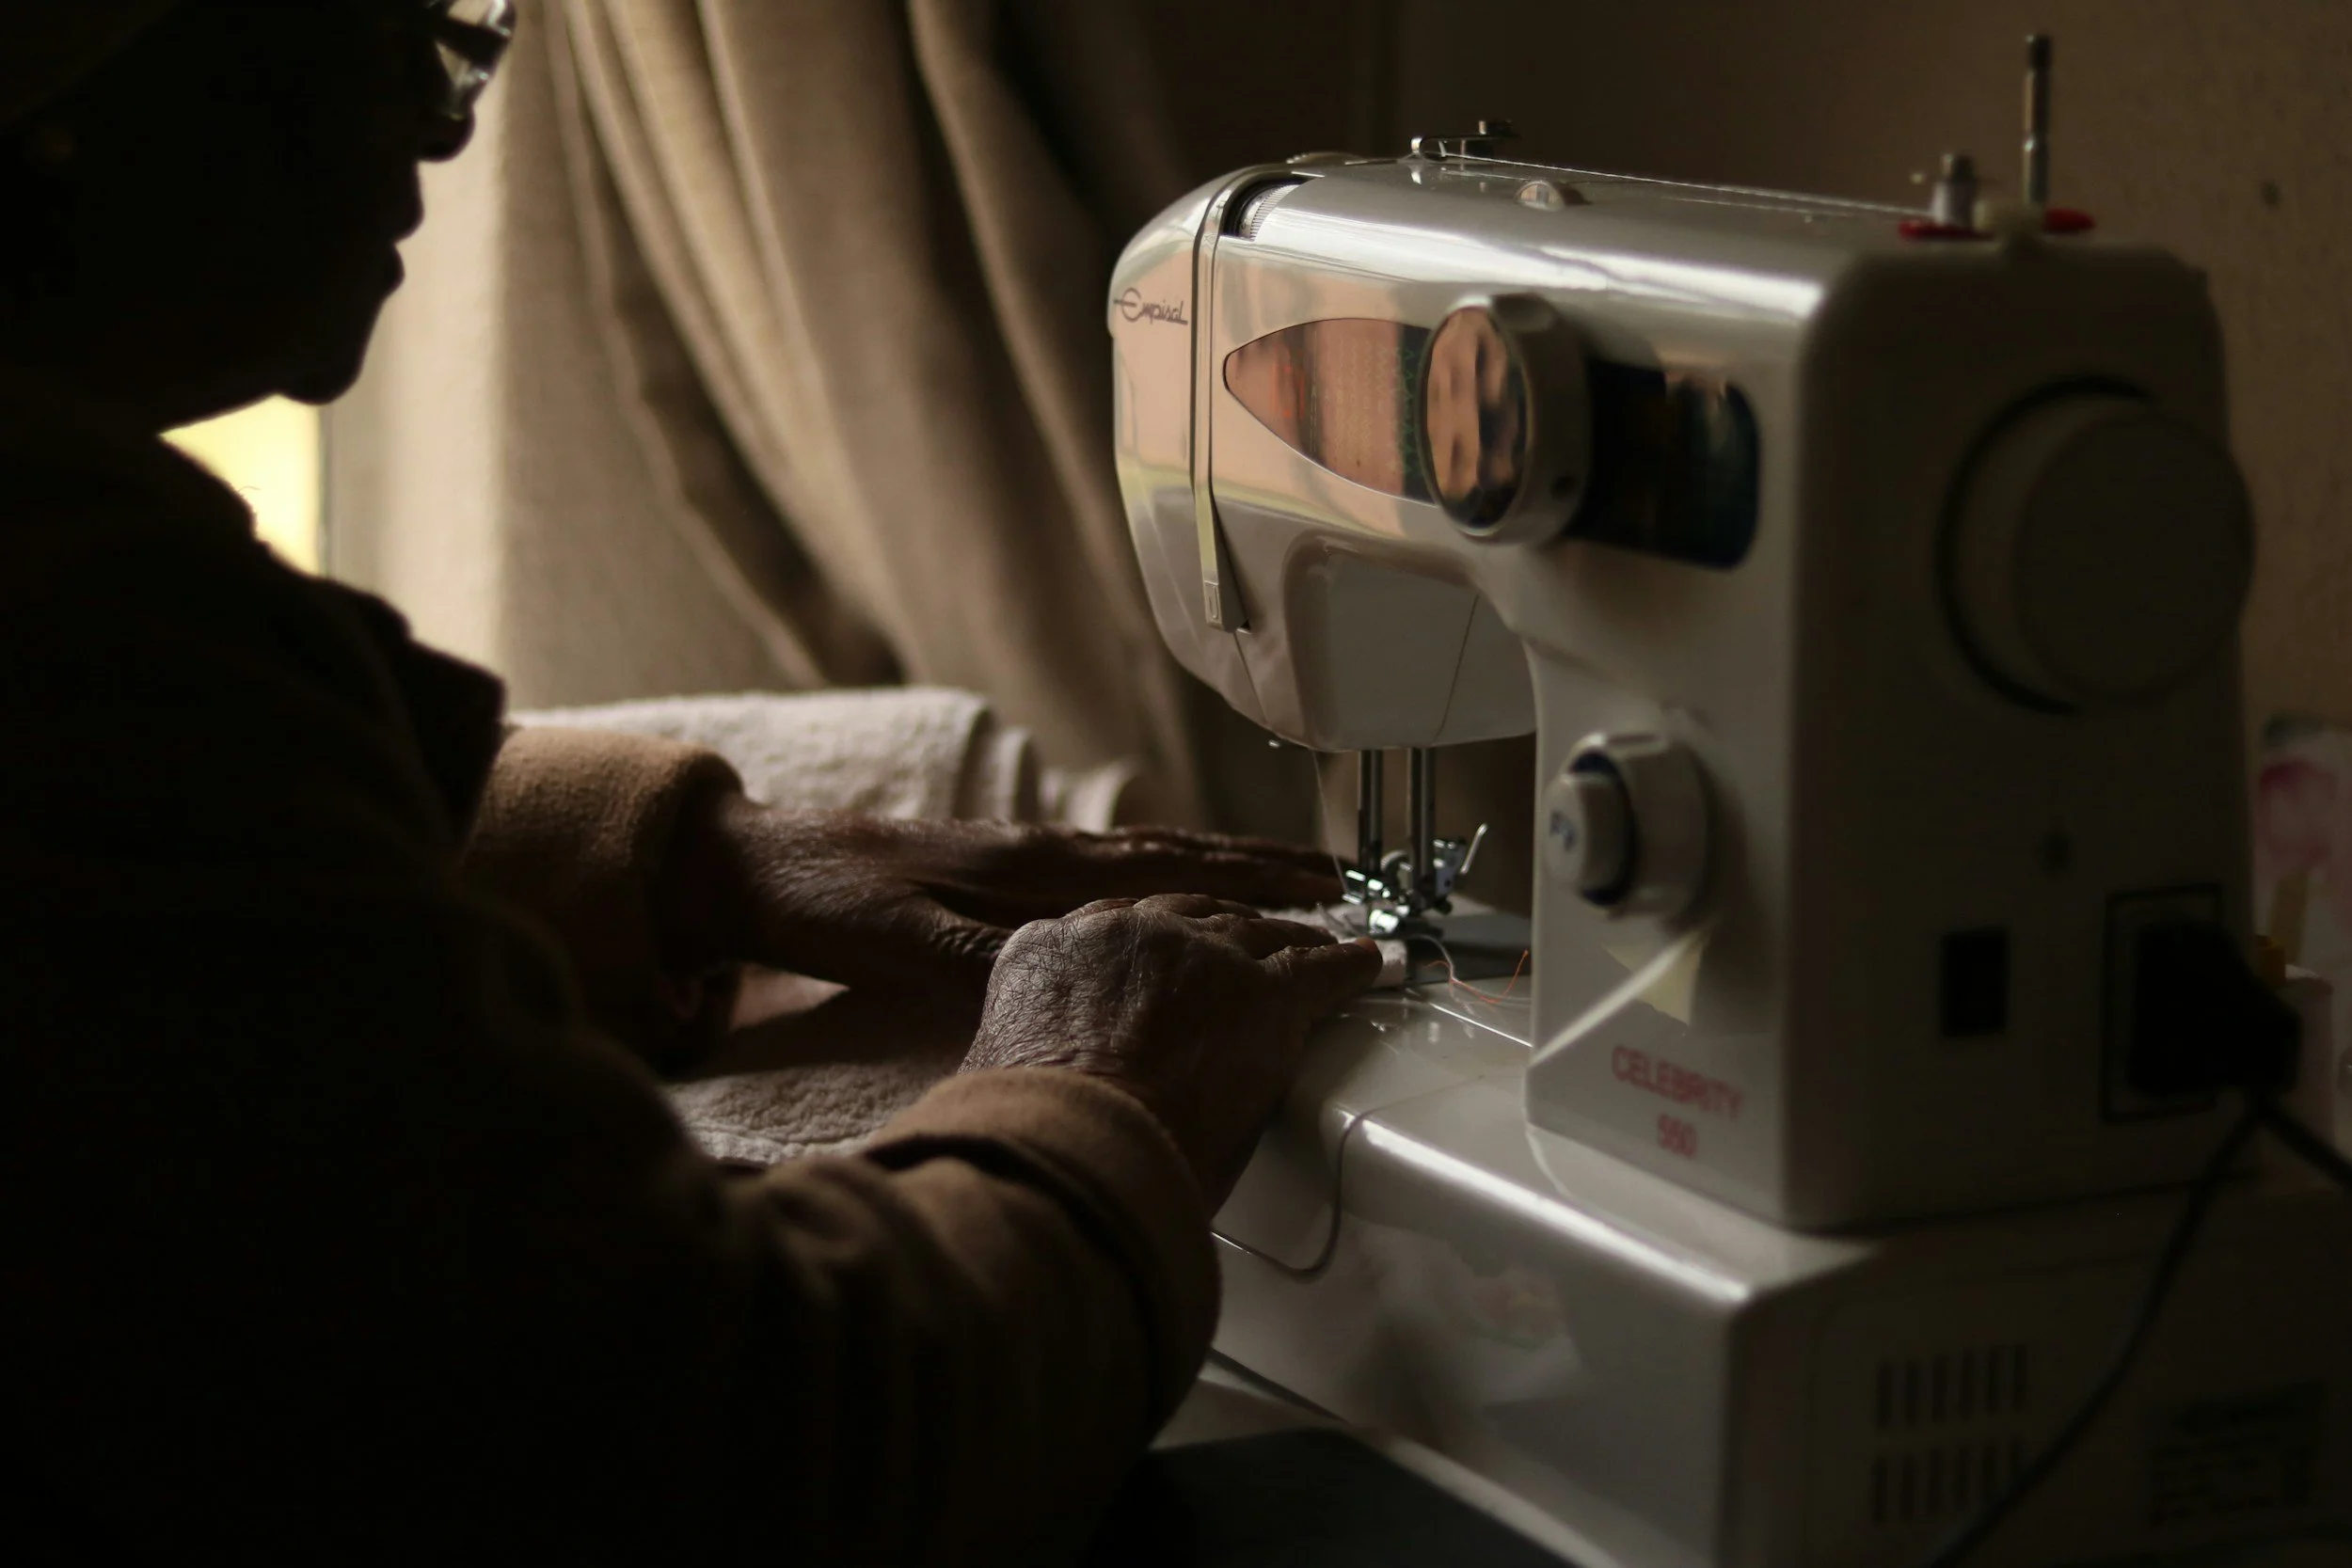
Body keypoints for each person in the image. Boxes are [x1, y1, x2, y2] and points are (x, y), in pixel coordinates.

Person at [0, 2, 1381, 1560]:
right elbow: (733, 1434)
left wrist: (668, 853)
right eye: (389, 25)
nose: (444, 118)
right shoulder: (84, 634)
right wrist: (1098, 1097)